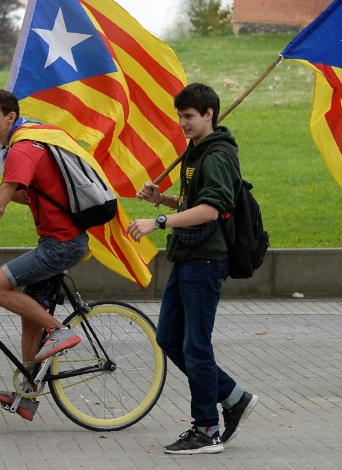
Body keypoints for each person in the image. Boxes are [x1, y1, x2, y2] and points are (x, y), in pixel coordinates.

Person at [127, 83, 258, 455]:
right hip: (187, 257)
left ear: (208, 115)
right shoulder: (195, 151)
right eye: (180, 116)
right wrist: (163, 199)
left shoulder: (215, 155)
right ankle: (233, 397)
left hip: (206, 259)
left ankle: (206, 429)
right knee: (169, 337)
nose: (182, 123)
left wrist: (160, 220)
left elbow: (211, 210)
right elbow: (193, 200)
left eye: (188, 116)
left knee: (196, 345)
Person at [0, 89, 88, 421]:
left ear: (10, 117)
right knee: (30, 317)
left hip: (62, 244)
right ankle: (28, 394)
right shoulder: (25, 143)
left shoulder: (23, 148)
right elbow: (29, 197)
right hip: (55, 240)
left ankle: (61, 331)